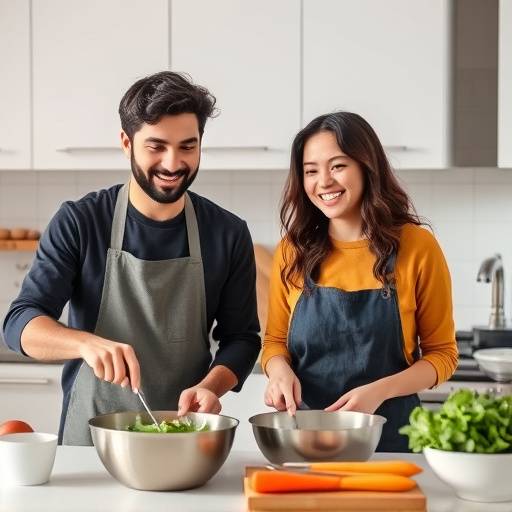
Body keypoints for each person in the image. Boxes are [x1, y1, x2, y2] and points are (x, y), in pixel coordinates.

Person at [3, 71, 260, 445]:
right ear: (127, 143)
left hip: (184, 438)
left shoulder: (227, 233)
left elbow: (242, 339)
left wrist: (212, 386)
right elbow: (19, 323)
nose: (173, 164)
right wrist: (85, 344)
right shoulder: (80, 221)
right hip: (91, 443)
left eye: (187, 147)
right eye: (156, 146)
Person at [261, 112, 458, 452]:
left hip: (392, 438)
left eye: (337, 166)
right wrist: (278, 372)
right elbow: (275, 342)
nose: (323, 182)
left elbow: (443, 355)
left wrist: (378, 391)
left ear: (367, 166)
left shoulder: (417, 247)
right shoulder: (293, 250)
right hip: (307, 437)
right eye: (311, 171)